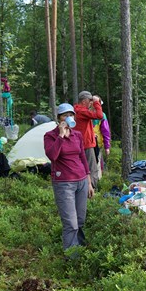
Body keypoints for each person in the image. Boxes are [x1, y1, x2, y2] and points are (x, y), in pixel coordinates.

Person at [44, 103, 95, 250]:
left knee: (80, 220)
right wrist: (60, 136)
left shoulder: (77, 135)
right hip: (64, 183)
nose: (69, 118)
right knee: (70, 223)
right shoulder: (50, 136)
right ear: (59, 118)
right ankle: (71, 258)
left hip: (82, 182)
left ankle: (80, 250)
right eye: (65, 115)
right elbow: (52, 156)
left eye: (71, 115)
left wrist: (89, 182)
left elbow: (83, 158)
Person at [74, 90, 103, 189]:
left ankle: (84, 188)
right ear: (83, 101)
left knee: (83, 168)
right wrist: (96, 102)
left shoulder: (78, 110)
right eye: (89, 100)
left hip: (82, 144)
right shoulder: (82, 111)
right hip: (86, 145)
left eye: (92, 100)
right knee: (92, 168)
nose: (91, 102)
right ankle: (92, 190)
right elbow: (99, 115)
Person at [92, 95, 111, 181]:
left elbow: (105, 131)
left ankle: (97, 183)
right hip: (86, 143)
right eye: (92, 101)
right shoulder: (85, 113)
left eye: (96, 102)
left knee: (97, 163)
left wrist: (107, 146)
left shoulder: (102, 116)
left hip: (97, 144)